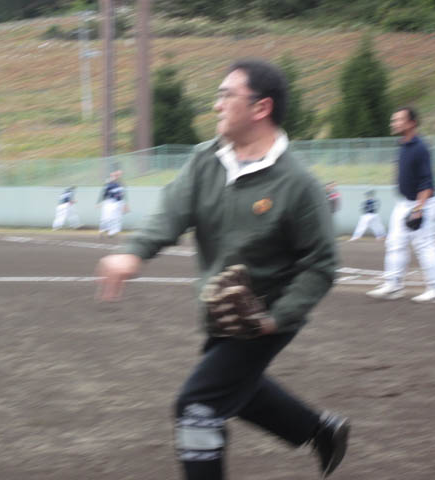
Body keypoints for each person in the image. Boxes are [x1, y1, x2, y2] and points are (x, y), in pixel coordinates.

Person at [95, 59, 349, 480]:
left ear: (261, 108)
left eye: (226, 95)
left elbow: (321, 266)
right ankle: (321, 430)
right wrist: (134, 253)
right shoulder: (205, 159)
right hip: (220, 311)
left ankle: (316, 430)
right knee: (238, 389)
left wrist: (274, 319)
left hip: (266, 317)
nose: (217, 105)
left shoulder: (297, 184)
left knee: (197, 406)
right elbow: (171, 213)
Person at [367, 107, 435, 303]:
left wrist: (418, 209)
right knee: (395, 242)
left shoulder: (421, 147)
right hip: (404, 202)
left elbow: (427, 182)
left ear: (411, 123)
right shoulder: (402, 144)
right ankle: (393, 285)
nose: (393, 123)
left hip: (423, 202)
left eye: (398, 120)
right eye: (394, 120)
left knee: (425, 244)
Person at [98, 170, 128, 237]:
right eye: (115, 175)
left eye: (119, 175)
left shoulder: (121, 183)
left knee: (117, 217)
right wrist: (100, 202)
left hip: (118, 202)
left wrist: (125, 205)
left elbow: (123, 195)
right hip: (110, 201)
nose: (117, 176)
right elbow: (104, 193)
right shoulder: (109, 183)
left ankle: (112, 231)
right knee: (107, 217)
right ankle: (103, 230)